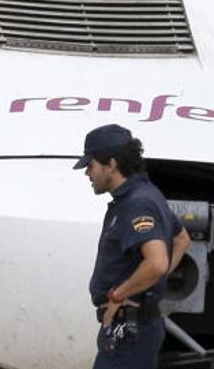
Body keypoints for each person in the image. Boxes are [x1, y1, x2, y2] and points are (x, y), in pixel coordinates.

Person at [73, 124, 192, 369]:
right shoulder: (146, 194)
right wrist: (151, 282)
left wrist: (120, 294)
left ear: (111, 163)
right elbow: (182, 239)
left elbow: (157, 263)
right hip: (131, 328)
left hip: (128, 331)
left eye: (91, 165)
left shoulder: (137, 204)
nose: (87, 173)